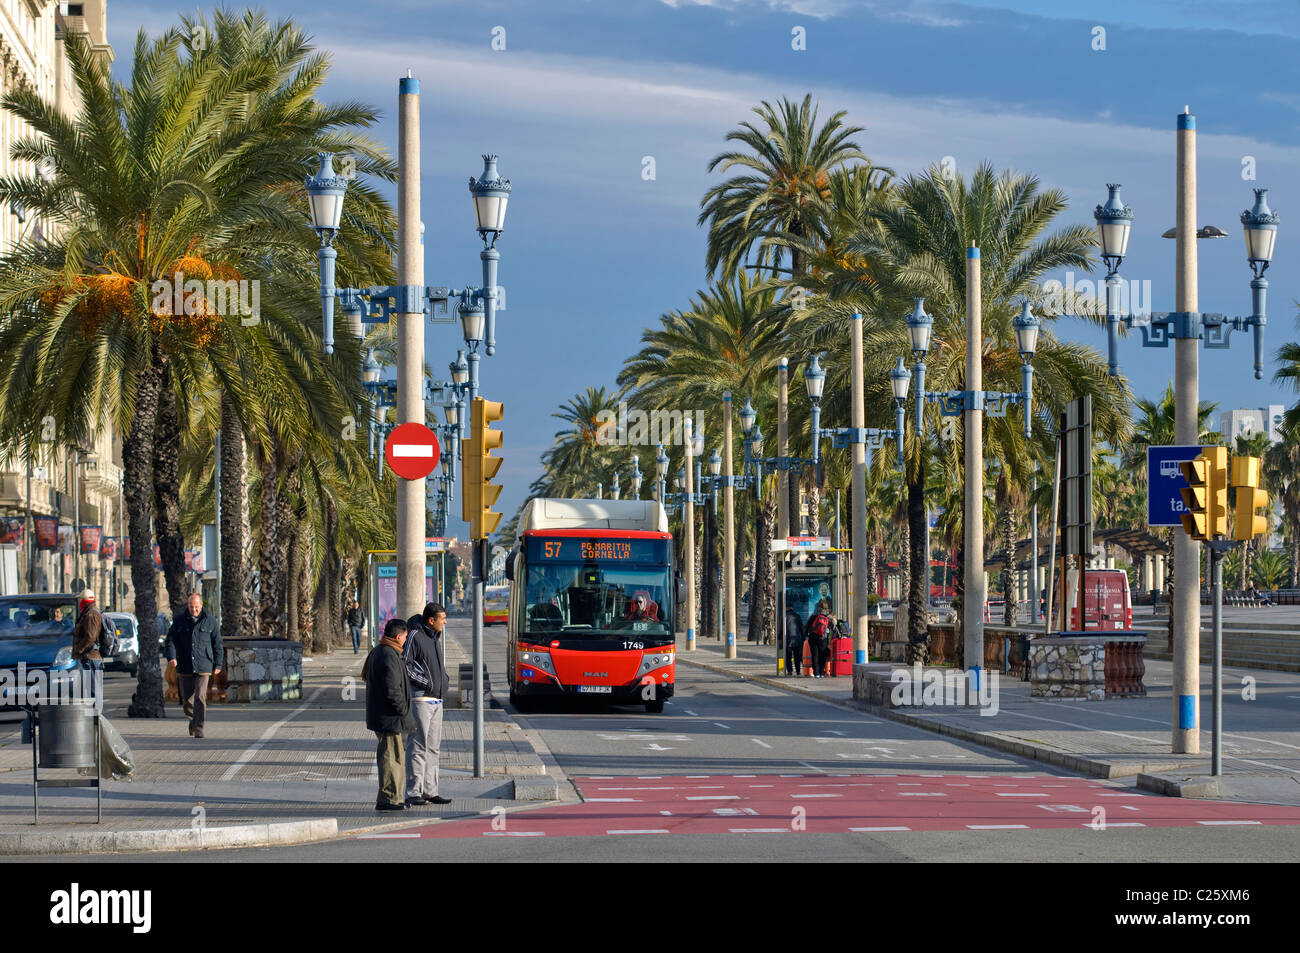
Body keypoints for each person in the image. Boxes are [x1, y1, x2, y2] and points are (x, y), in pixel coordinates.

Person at [401, 602, 452, 807]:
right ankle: (414, 791)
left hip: (437, 699)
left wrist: (443, 681)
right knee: (418, 745)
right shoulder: (415, 635)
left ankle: (431, 790)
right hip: (421, 699)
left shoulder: (435, 637)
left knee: (433, 748)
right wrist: (428, 683)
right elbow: (406, 665)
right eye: (443, 618)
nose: (445, 622)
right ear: (431, 620)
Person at [363, 618, 414, 811]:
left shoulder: (383, 651)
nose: (405, 641)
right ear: (398, 636)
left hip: (387, 716)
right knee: (390, 757)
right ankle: (389, 799)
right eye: (405, 637)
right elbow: (392, 689)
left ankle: (395, 797)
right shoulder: (388, 655)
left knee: (396, 756)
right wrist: (403, 711)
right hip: (389, 717)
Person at [164, 593, 222, 738]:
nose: (194, 610)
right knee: (187, 699)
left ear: (201, 606)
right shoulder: (179, 621)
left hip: (204, 665)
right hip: (185, 664)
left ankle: (199, 728)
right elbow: (170, 640)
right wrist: (172, 657)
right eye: (191, 607)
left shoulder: (210, 621)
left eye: (196, 607)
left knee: (200, 697)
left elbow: (217, 644)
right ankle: (193, 721)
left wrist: (218, 663)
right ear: (188, 606)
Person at [71, 589, 112, 700]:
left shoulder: (91, 614)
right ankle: (94, 714)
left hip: (90, 657)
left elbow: (90, 637)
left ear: (84, 601)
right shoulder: (89, 613)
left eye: (80, 600)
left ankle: (95, 715)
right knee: (90, 690)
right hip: (89, 657)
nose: (79, 603)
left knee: (93, 691)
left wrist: (79, 650)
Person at [805, 599, 834, 678]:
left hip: (813, 638)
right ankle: (822, 672)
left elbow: (807, 626)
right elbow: (833, 627)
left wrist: (807, 635)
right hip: (823, 639)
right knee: (822, 656)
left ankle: (816, 673)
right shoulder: (828, 616)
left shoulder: (814, 615)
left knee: (815, 655)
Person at [783, 602, 803, 676]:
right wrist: (803, 637)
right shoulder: (797, 616)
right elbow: (801, 628)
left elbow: (781, 628)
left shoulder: (785, 616)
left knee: (788, 657)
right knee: (797, 657)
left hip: (787, 639)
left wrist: (779, 637)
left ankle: (790, 671)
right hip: (796, 639)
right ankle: (798, 671)